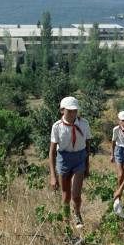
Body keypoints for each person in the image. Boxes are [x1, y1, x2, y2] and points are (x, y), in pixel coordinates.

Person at [49, 96, 92, 228]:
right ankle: (66, 219)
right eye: (69, 111)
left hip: (80, 158)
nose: (73, 113)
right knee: (66, 195)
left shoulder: (84, 124)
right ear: (62, 110)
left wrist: (87, 164)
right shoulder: (57, 127)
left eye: (75, 110)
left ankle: (77, 213)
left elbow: (88, 145)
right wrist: (53, 176)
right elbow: (52, 153)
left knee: (76, 194)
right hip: (64, 159)